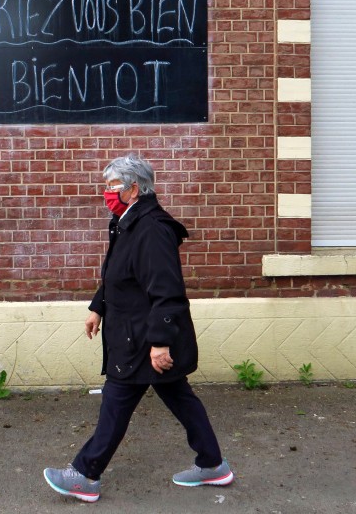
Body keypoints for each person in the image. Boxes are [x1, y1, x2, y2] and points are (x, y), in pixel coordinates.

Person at [43, 153, 233, 503]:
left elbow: (167, 291)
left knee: (117, 400)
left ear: (134, 188)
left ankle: (85, 475)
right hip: (134, 333)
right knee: (179, 397)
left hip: (143, 339)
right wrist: (97, 307)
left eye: (112, 186)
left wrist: (160, 342)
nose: (106, 192)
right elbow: (122, 275)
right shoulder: (128, 222)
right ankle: (213, 465)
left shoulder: (152, 228)